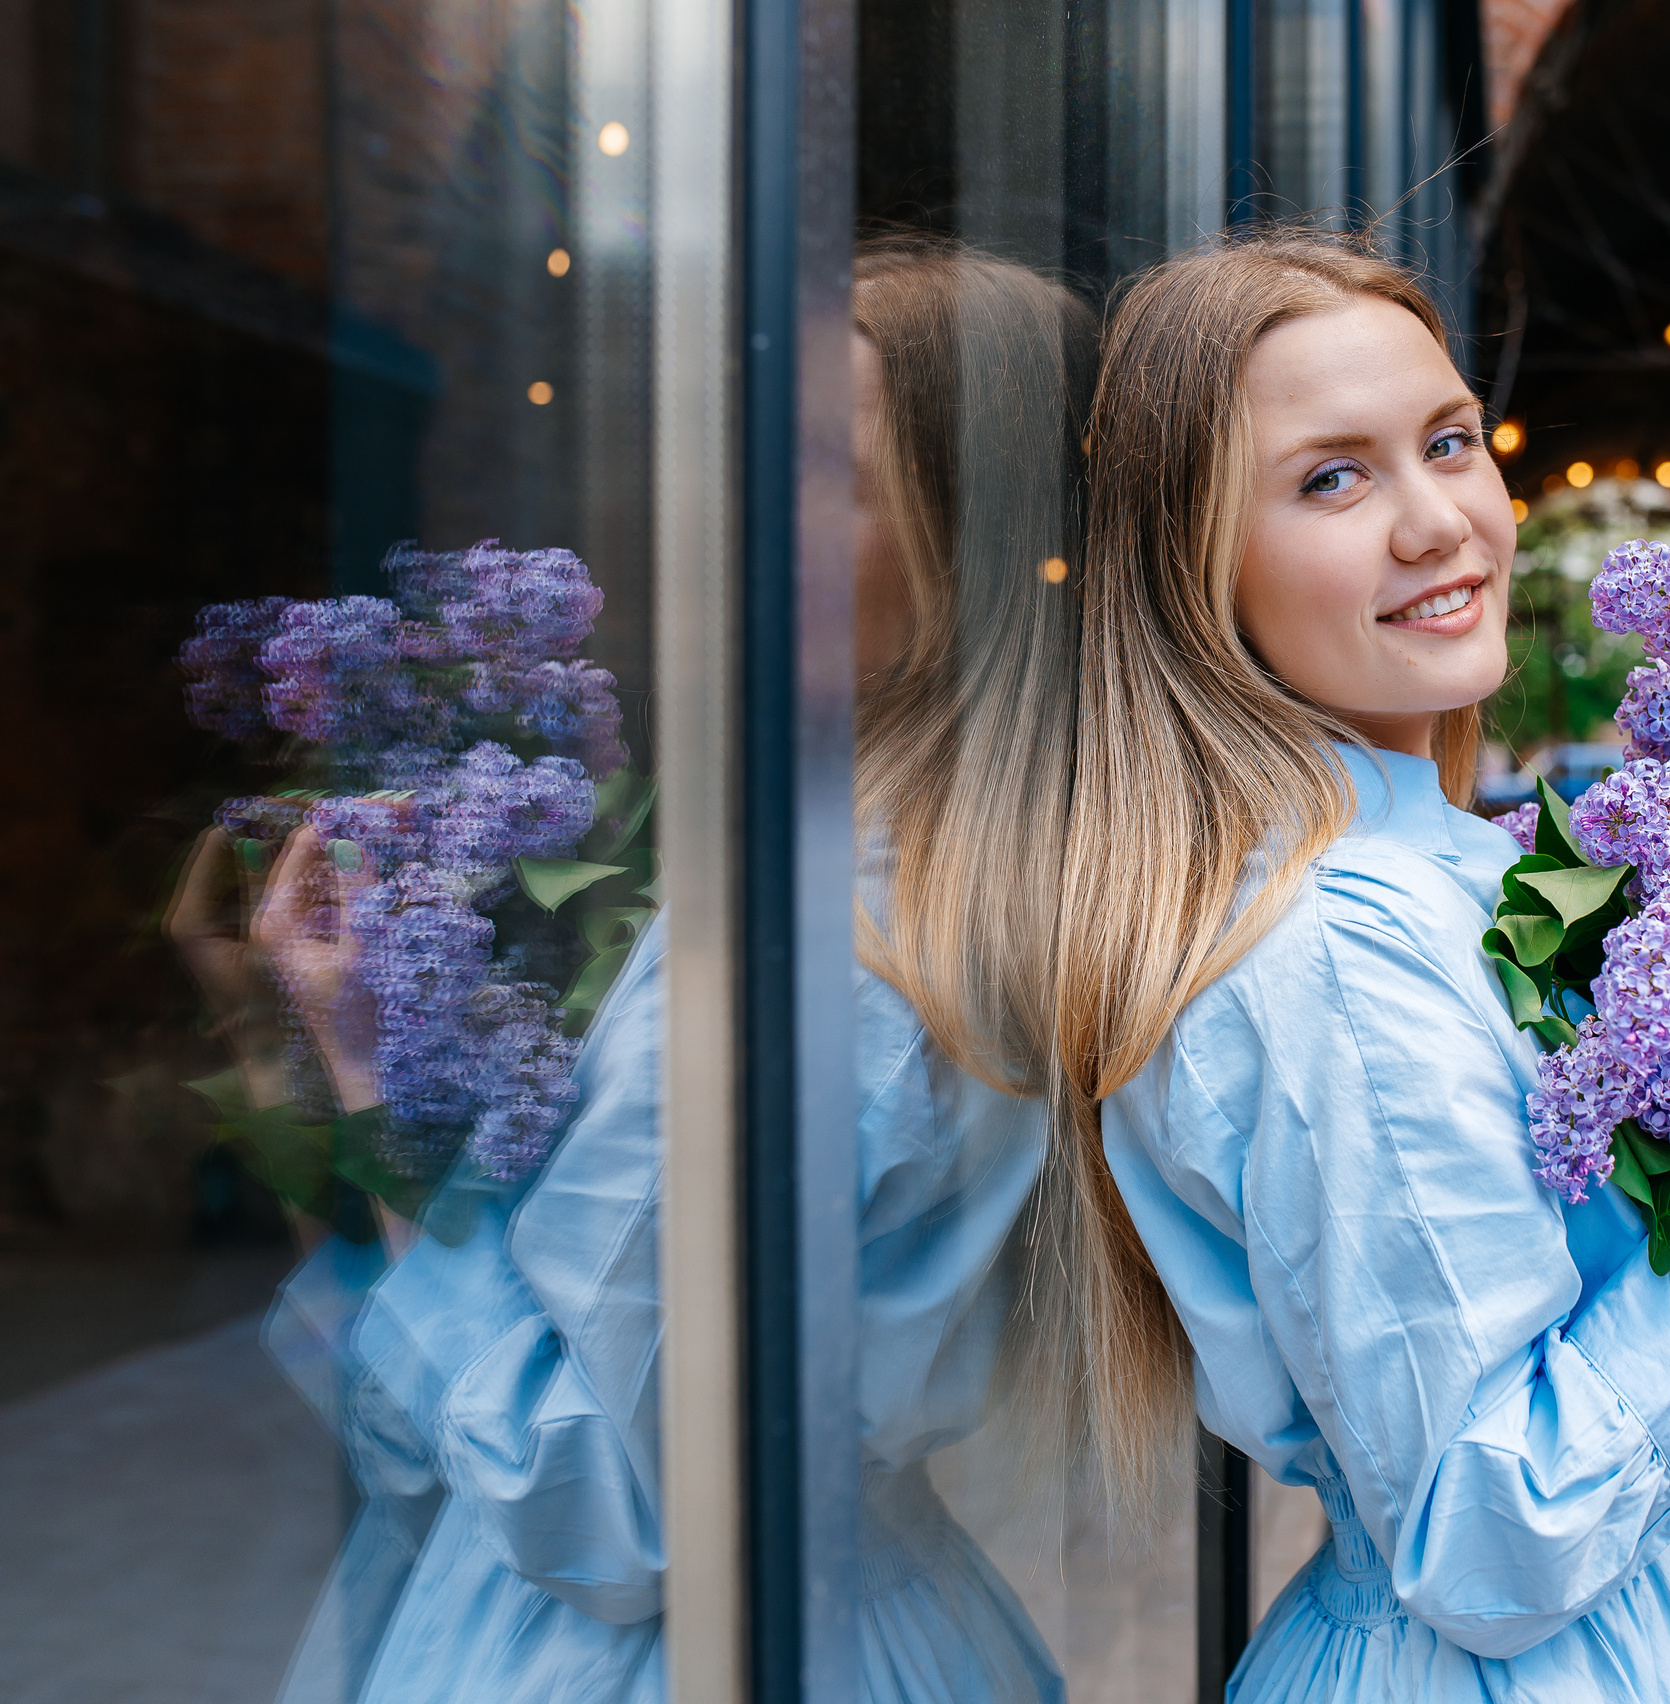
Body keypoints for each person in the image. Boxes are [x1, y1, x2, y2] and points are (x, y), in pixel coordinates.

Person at [1054, 228, 1670, 1699]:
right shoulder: (1327, 952)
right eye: (1333, 477)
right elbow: (1497, 1536)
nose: (1439, 522)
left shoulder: (1447, 865)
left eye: (1449, 443)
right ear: (1193, 564)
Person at [243, 233, 1090, 1702]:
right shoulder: (958, 884)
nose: (752, 503)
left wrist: (373, 1071)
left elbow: (608, 1510)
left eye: (830, 470)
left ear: (975, 558)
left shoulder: (822, 968)